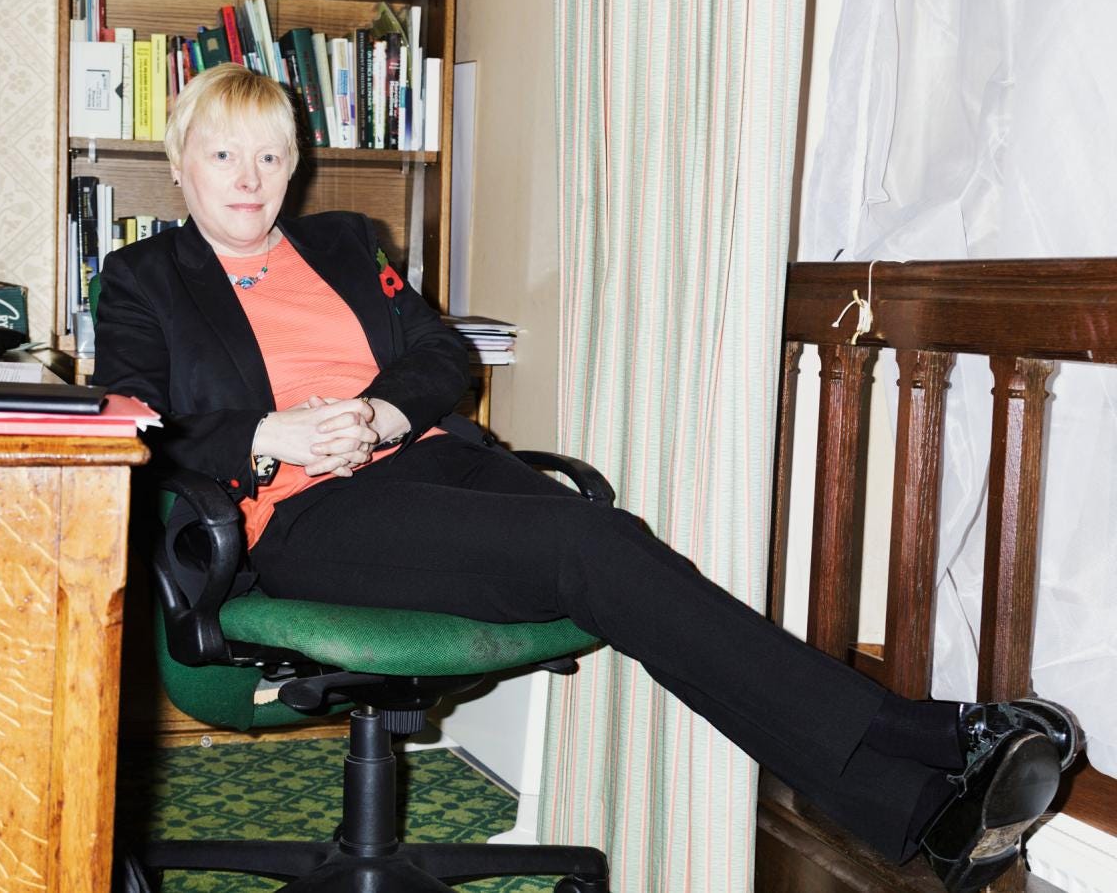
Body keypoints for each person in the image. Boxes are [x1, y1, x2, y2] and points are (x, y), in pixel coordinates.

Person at [92, 64, 1084, 893]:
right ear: (180, 162)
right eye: (224, 153)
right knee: (584, 548)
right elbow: (140, 421)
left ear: (295, 165)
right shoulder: (144, 280)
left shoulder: (347, 243)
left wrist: (387, 412)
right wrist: (277, 436)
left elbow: (441, 355)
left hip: (428, 462)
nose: (249, 176)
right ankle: (935, 736)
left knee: (617, 548)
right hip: (301, 516)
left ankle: (913, 810)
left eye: (270, 154)